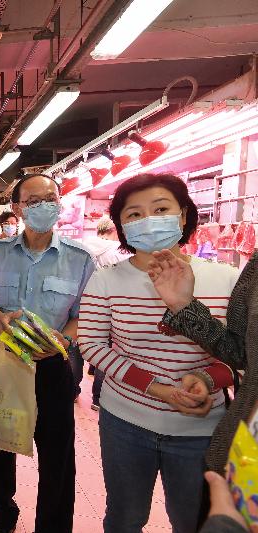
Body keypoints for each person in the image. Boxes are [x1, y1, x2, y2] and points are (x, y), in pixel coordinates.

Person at [77, 173, 238, 533]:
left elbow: (241, 354)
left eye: (161, 209)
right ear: (120, 225)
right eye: (133, 214)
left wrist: (207, 378)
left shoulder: (226, 280)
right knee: (124, 517)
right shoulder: (107, 280)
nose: (147, 220)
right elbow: (92, 344)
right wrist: (157, 389)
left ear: (183, 215)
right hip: (125, 421)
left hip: (202, 427)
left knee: (193, 520)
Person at [0, 173, 95, 533]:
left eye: (51, 198)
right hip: (3, 364)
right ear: (17, 208)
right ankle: (3, 513)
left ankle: (52, 525)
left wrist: (63, 340)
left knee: (57, 455)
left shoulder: (80, 259)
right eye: (33, 201)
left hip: (51, 368)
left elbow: (84, 316)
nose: (44, 206)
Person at [146, 231, 258, 480]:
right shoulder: (254, 269)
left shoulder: (225, 275)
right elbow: (240, 352)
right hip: (246, 451)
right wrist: (183, 306)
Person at [80, 216, 132, 410]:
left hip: (85, 304)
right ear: (113, 230)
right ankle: (98, 398)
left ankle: (75, 389)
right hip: (112, 307)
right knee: (107, 352)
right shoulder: (119, 251)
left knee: (82, 347)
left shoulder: (82, 247)